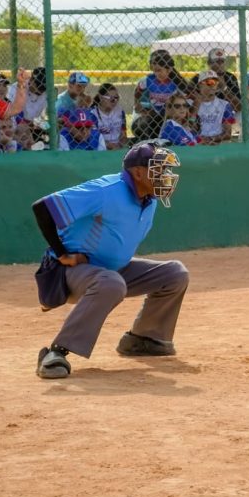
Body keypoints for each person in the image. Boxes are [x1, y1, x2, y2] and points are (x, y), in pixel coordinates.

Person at [32, 141, 189, 379]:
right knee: (111, 283)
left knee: (175, 274)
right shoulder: (107, 190)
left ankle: (144, 339)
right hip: (70, 273)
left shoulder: (149, 200)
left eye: (166, 170)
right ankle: (56, 353)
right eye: (158, 169)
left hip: (112, 271)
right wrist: (62, 253)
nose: (165, 176)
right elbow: (43, 208)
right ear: (137, 172)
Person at [133, 50, 187, 141]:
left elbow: (187, 98)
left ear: (168, 68)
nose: (156, 71)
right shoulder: (148, 80)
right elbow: (138, 94)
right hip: (151, 115)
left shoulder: (176, 82)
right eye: (153, 63)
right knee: (149, 121)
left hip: (169, 113)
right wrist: (138, 104)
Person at [188, 48, 241, 113]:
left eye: (222, 61)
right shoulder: (198, 78)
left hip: (226, 111)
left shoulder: (230, 77)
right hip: (202, 111)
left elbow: (239, 107)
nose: (220, 64)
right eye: (217, 61)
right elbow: (189, 100)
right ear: (209, 63)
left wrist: (224, 89)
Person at [192, 70, 235, 145]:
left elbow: (228, 134)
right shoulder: (190, 103)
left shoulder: (224, 105)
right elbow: (188, 127)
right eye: (209, 82)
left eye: (216, 83)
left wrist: (211, 139)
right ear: (200, 85)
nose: (213, 85)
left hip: (217, 142)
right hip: (196, 142)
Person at [91, 83, 128, 150]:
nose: (114, 101)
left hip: (118, 146)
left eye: (116, 98)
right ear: (100, 97)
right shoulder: (93, 114)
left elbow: (123, 134)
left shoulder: (120, 111)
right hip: (100, 146)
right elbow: (93, 138)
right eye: (110, 98)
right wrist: (108, 145)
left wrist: (120, 144)